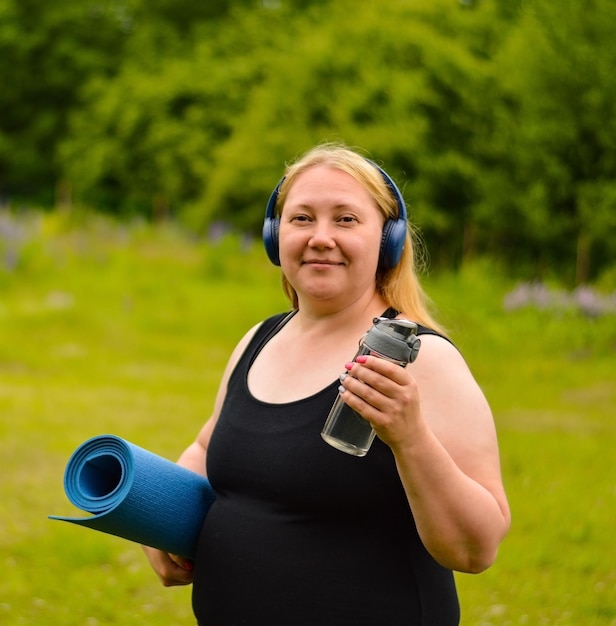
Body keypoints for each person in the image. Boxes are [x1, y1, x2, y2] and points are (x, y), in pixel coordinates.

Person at [143, 142, 511, 625]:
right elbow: (206, 447)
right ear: (276, 236)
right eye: (301, 218)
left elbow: (476, 548)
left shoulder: (422, 360)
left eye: (345, 219)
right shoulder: (259, 339)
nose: (320, 237)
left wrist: (410, 436)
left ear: (388, 240)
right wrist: (160, 522)